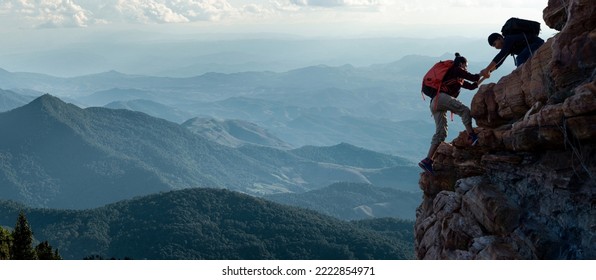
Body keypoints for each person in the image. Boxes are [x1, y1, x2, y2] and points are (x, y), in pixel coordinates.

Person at [419, 53, 481, 175]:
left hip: (434, 103)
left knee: (441, 132)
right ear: (461, 64)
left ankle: (427, 160)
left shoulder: (456, 77)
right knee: (464, 110)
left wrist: (480, 79)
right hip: (441, 98)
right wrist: (482, 73)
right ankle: (471, 135)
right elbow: (473, 77)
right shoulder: (456, 69)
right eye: (466, 65)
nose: (466, 68)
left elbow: (471, 86)